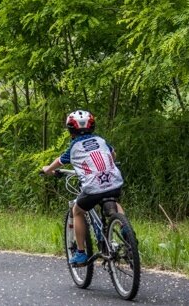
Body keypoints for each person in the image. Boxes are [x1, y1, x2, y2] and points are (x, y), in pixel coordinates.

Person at [41, 110, 125, 266]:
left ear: (71, 130)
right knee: (112, 198)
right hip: (114, 182)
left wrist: (48, 170)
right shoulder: (100, 140)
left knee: (77, 211)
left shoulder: (74, 147)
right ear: (92, 126)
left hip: (93, 187)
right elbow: (112, 154)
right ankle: (126, 229)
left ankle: (80, 253)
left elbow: (60, 161)